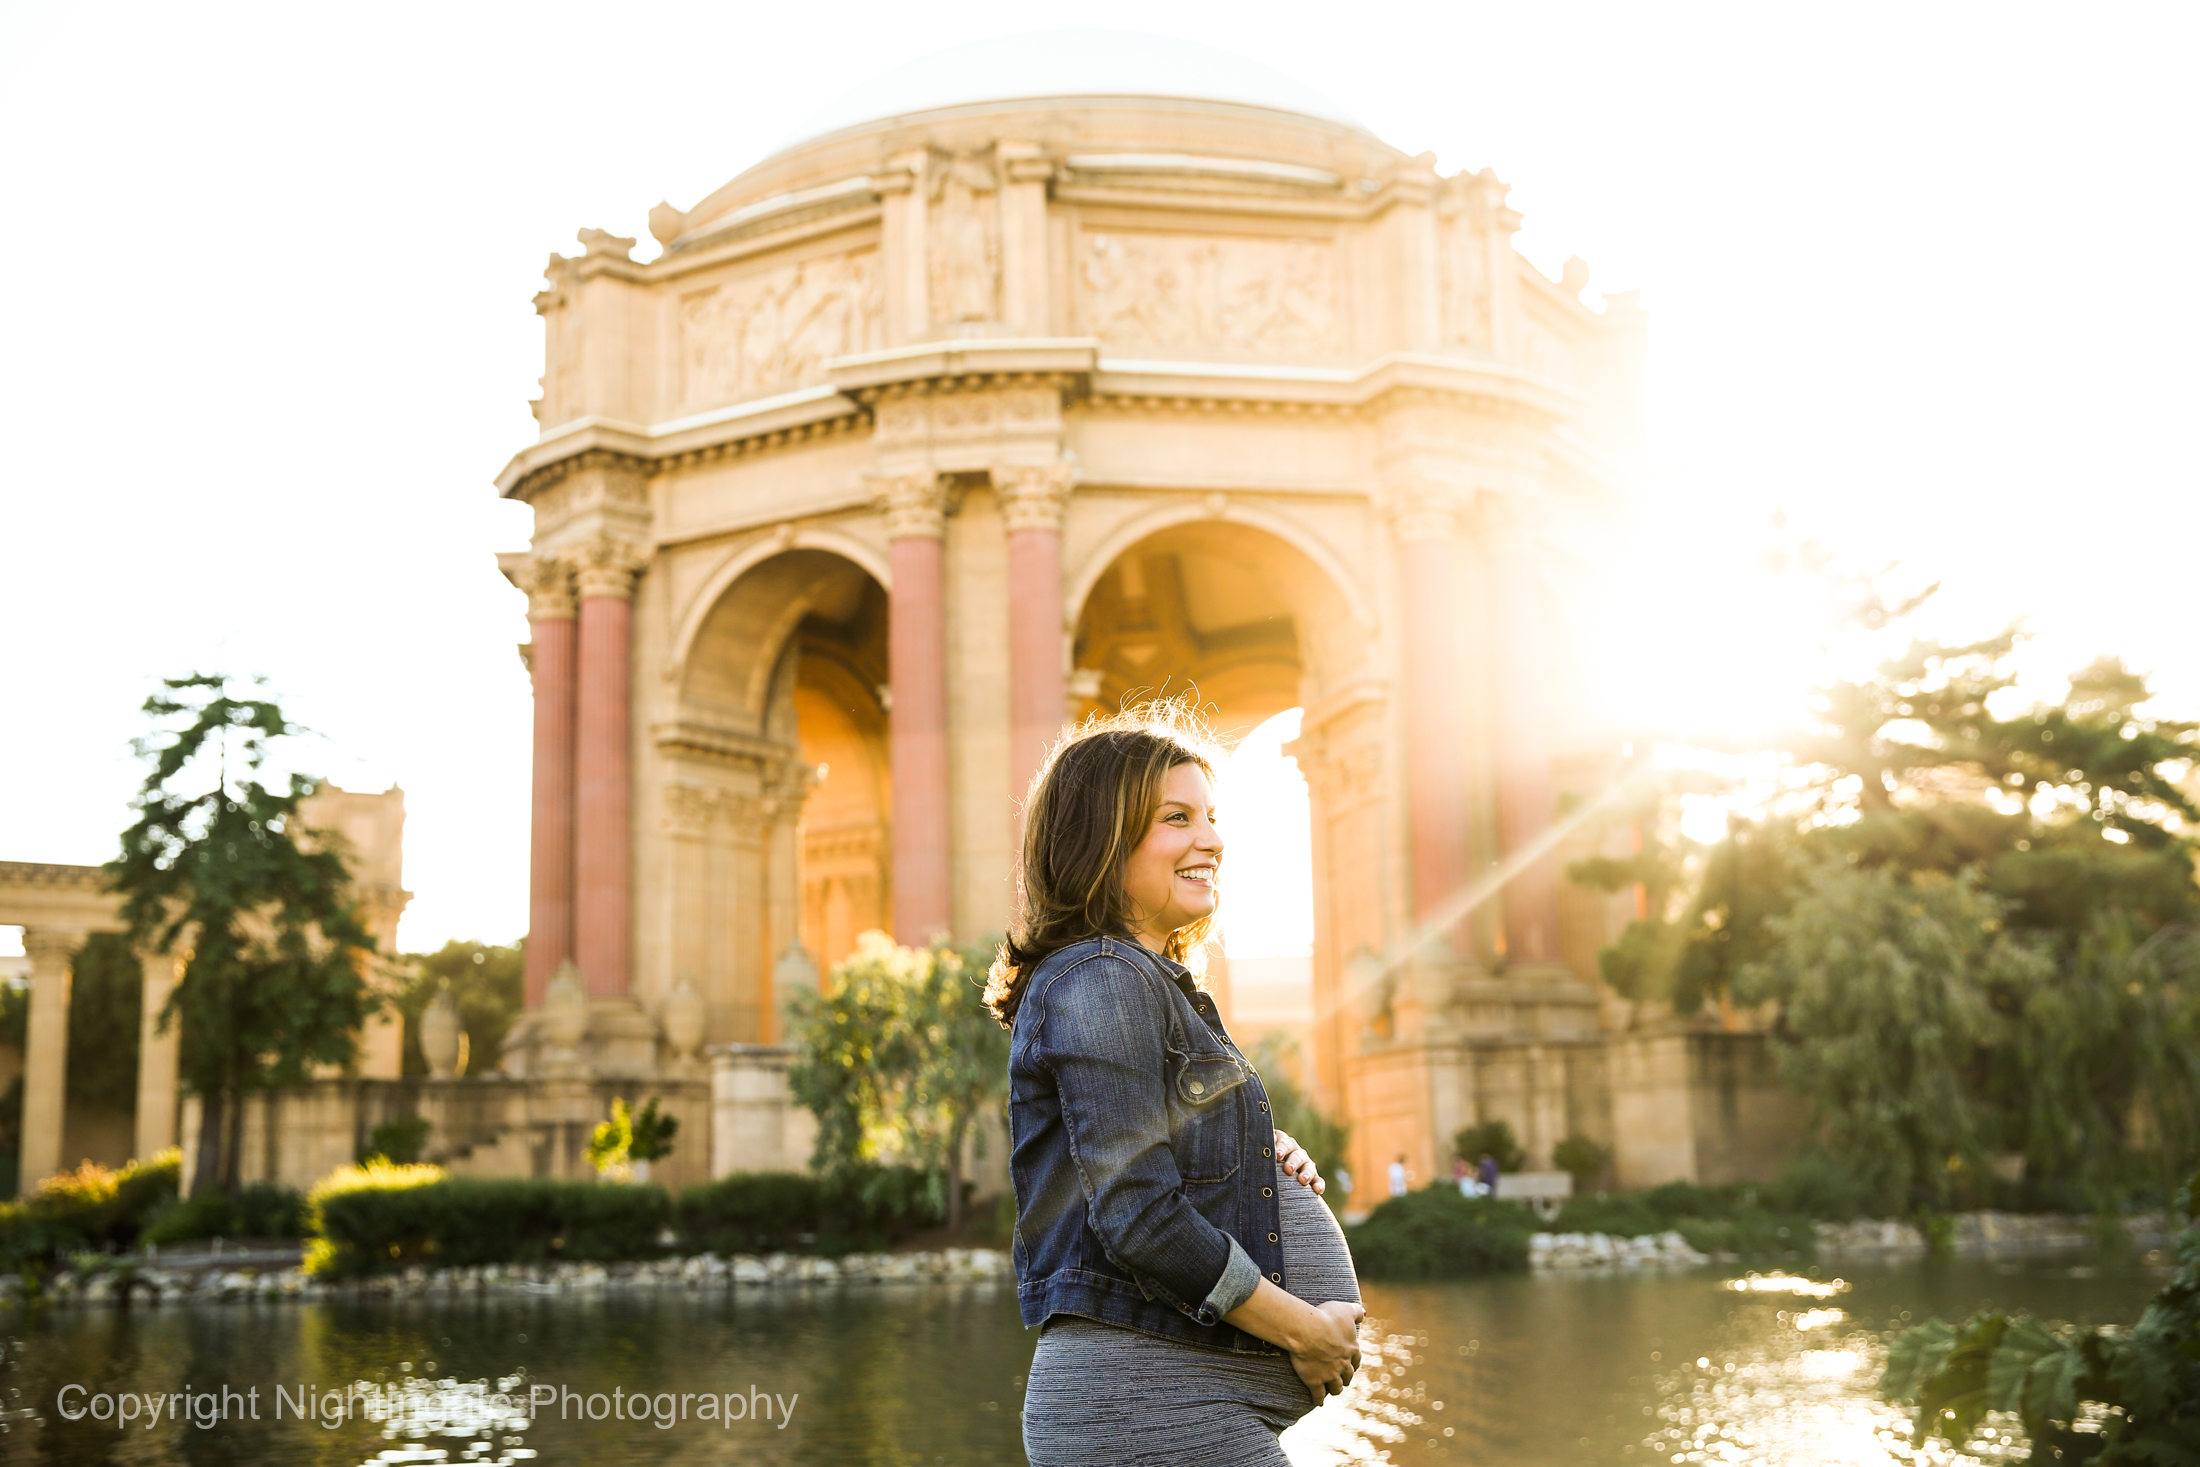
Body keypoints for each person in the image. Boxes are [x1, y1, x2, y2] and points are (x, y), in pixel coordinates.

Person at [990, 704, 1364, 1467]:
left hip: (1175, 1401)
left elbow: (1156, 1168)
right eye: (1176, 817)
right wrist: (1303, 1328)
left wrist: (1257, 1153)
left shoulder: (1140, 980)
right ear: (1101, 838)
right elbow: (1138, 1214)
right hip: (1147, 1402)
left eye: (1213, 816)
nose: (1214, 839)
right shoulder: (1104, 976)